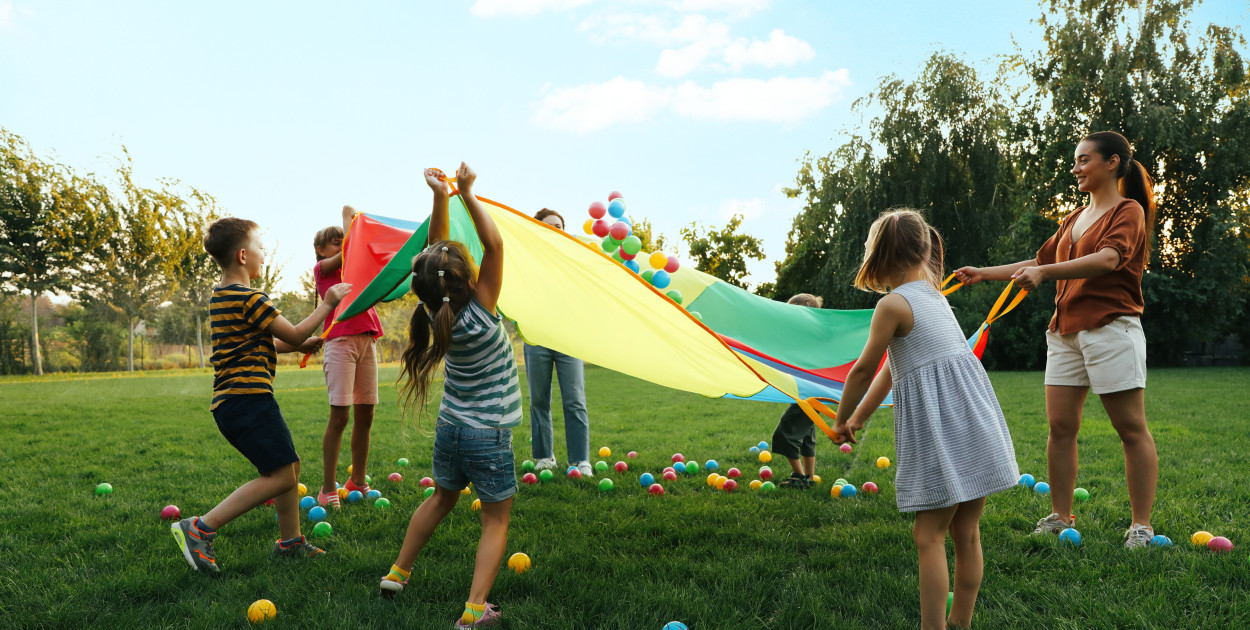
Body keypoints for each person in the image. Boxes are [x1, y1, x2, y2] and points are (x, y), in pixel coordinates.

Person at [954, 131, 1158, 548]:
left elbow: (1108, 259)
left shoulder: (1128, 210)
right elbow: (1041, 261)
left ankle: (1141, 525)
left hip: (1111, 328)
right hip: (1064, 332)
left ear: (1113, 162)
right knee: (1060, 427)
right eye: (1076, 160)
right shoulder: (1072, 219)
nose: (1076, 167)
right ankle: (1060, 515)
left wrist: (1046, 274)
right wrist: (983, 272)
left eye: (1084, 160)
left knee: (1130, 428)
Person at [834, 210, 1018, 630]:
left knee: (928, 536)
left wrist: (841, 418)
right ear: (924, 249)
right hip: (975, 421)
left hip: (943, 430)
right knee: (967, 533)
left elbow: (863, 369)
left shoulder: (892, 304)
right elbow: (889, 370)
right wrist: (860, 416)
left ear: (877, 256)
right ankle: (960, 623)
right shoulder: (935, 297)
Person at [379, 163, 518, 629]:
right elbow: (495, 244)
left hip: (450, 429)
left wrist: (442, 196)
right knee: (495, 521)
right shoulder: (481, 310)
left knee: (440, 498)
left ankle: (398, 573)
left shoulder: (433, 310)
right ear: (465, 279)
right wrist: (468, 193)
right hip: (487, 436)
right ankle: (475, 611)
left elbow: (433, 257)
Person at [171, 217, 350, 573]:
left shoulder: (223, 297)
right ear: (242, 255)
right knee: (283, 475)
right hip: (249, 399)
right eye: (259, 248)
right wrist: (328, 303)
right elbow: (296, 333)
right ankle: (200, 527)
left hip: (235, 402)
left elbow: (266, 342)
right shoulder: (250, 298)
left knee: (290, 466)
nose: (263, 254)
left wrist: (299, 344)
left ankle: (290, 542)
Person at [311, 206, 384, 510]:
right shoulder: (323, 270)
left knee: (366, 415)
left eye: (344, 238)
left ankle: (358, 480)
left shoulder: (356, 267)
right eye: (334, 241)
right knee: (340, 416)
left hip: (367, 340)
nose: (342, 243)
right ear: (320, 250)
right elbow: (349, 252)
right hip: (340, 342)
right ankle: (328, 488)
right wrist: (348, 220)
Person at [524, 208, 593, 477]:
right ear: (538, 228)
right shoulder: (528, 261)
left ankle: (580, 460)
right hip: (537, 336)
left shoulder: (572, 259)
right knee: (539, 399)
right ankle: (544, 456)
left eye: (560, 226)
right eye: (550, 225)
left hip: (568, 338)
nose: (556, 229)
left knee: (574, 399)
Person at [772, 293, 825, 489]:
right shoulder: (811, 337)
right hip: (811, 394)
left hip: (810, 395)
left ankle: (800, 477)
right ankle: (809, 478)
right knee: (806, 436)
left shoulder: (809, 338)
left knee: (784, 432)